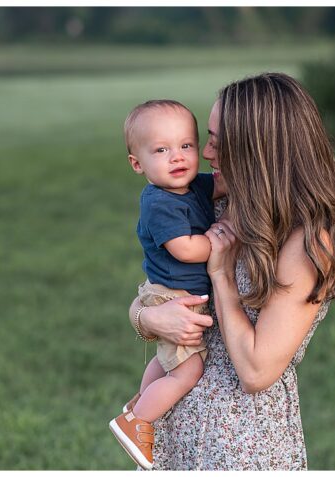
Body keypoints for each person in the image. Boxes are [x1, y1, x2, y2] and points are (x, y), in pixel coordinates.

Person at [127, 72, 335, 470]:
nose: (205, 153)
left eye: (219, 144)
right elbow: (154, 292)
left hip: (242, 446)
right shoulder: (218, 208)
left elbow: (256, 372)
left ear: (260, 150)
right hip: (174, 433)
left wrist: (221, 276)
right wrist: (147, 316)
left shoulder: (307, 243)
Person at [109, 100, 225, 469]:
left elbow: (225, 190)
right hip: (171, 296)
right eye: (162, 150)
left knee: (167, 363)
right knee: (187, 371)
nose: (178, 157)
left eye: (186, 146)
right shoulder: (159, 202)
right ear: (137, 163)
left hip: (176, 294)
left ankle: (139, 402)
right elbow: (185, 248)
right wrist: (223, 239)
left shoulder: (192, 186)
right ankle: (139, 421)